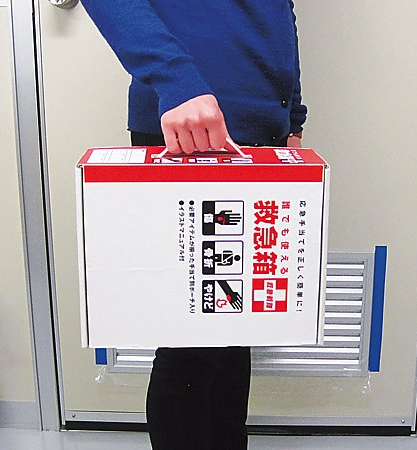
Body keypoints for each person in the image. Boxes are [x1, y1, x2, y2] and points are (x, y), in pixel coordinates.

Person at [81, 1, 307, 449]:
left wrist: (292, 115)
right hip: (192, 130)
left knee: (235, 332)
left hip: (262, 134)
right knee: (191, 347)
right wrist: (177, 81)